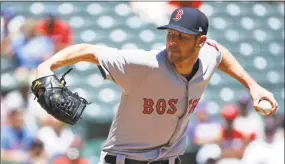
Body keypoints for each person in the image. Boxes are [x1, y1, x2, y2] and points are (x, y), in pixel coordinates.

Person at [34, 7, 278, 164]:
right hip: (123, 160)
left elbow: (219, 52)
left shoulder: (207, 55)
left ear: (200, 41)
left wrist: (252, 86)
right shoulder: (145, 64)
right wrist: (46, 66)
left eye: (181, 36)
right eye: (170, 34)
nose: (172, 41)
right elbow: (90, 51)